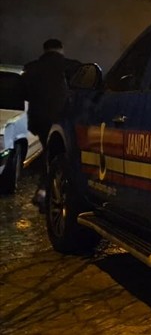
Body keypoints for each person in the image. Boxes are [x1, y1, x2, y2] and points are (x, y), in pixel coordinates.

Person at [20, 39, 82, 209]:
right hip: (64, 118)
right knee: (57, 155)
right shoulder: (71, 66)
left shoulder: (31, 68)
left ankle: (44, 191)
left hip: (39, 119)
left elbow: (24, 94)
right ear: (61, 49)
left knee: (49, 153)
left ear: (44, 49)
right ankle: (47, 192)